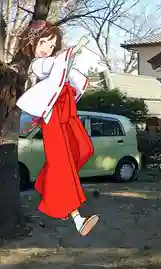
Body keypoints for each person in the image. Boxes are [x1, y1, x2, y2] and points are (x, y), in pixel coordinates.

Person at [15, 20, 99, 236]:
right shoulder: (37, 64)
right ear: (32, 42)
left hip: (65, 109)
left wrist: (72, 56)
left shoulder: (53, 60)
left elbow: (64, 69)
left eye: (52, 46)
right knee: (62, 166)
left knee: (84, 149)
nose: (47, 49)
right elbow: (57, 69)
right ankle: (78, 219)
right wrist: (73, 51)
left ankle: (47, 187)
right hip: (52, 114)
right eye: (43, 42)